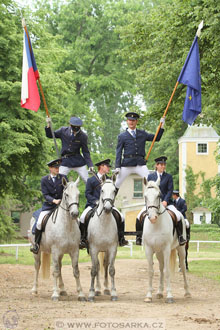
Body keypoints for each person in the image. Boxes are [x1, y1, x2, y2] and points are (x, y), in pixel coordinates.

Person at [135, 156, 187, 246]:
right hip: (152, 203)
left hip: (166, 203)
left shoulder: (168, 177)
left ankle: (180, 237)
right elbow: (148, 190)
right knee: (139, 216)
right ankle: (139, 237)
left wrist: (166, 201)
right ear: (157, 165)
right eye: (161, 165)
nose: (163, 167)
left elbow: (170, 190)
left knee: (178, 216)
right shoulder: (150, 176)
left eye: (164, 165)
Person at [79, 158, 128, 249]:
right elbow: (87, 194)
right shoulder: (91, 180)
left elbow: (113, 192)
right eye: (107, 166)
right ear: (101, 167)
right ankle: (83, 239)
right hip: (93, 205)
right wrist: (96, 201)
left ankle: (121, 238)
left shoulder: (110, 180)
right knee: (82, 218)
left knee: (121, 216)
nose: (109, 168)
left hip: (108, 205)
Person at [115, 112, 165, 189]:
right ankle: (109, 200)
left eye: (133, 120)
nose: (131, 122)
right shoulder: (122, 136)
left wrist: (161, 126)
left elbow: (157, 138)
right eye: (130, 120)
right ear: (127, 121)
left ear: (136, 121)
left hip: (140, 164)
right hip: (126, 164)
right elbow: (118, 151)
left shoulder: (142, 134)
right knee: (116, 184)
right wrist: (117, 166)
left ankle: (156, 200)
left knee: (151, 182)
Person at [30, 158, 68, 254]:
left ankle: (79, 240)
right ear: (50, 168)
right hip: (49, 206)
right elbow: (45, 195)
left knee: (76, 220)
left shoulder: (64, 178)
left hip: (62, 207)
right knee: (39, 223)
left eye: (58, 167)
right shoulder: (44, 180)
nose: (57, 169)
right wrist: (54, 200)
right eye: (55, 167)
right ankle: (37, 244)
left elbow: (67, 191)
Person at [45, 116, 93, 183]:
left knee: (88, 181)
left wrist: (90, 165)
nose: (75, 131)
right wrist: (48, 124)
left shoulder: (83, 136)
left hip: (78, 161)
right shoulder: (63, 131)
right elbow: (50, 135)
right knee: (59, 181)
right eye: (74, 128)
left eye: (78, 128)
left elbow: (85, 152)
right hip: (65, 160)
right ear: (70, 125)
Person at [173, 190, 190, 270]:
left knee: (187, 224)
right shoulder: (173, 202)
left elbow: (185, 209)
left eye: (173, 195)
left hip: (182, 216)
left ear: (175, 195)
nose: (173, 196)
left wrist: (178, 213)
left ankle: (187, 236)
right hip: (174, 217)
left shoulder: (182, 201)